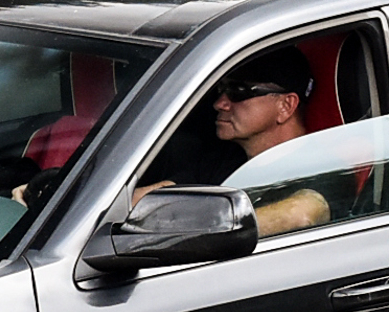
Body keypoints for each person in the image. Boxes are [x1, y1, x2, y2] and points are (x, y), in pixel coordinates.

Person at [136, 48, 331, 237]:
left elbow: (302, 214)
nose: (220, 103)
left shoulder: (318, 170)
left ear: (285, 106)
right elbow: (155, 196)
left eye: (238, 91)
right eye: (222, 89)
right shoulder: (224, 159)